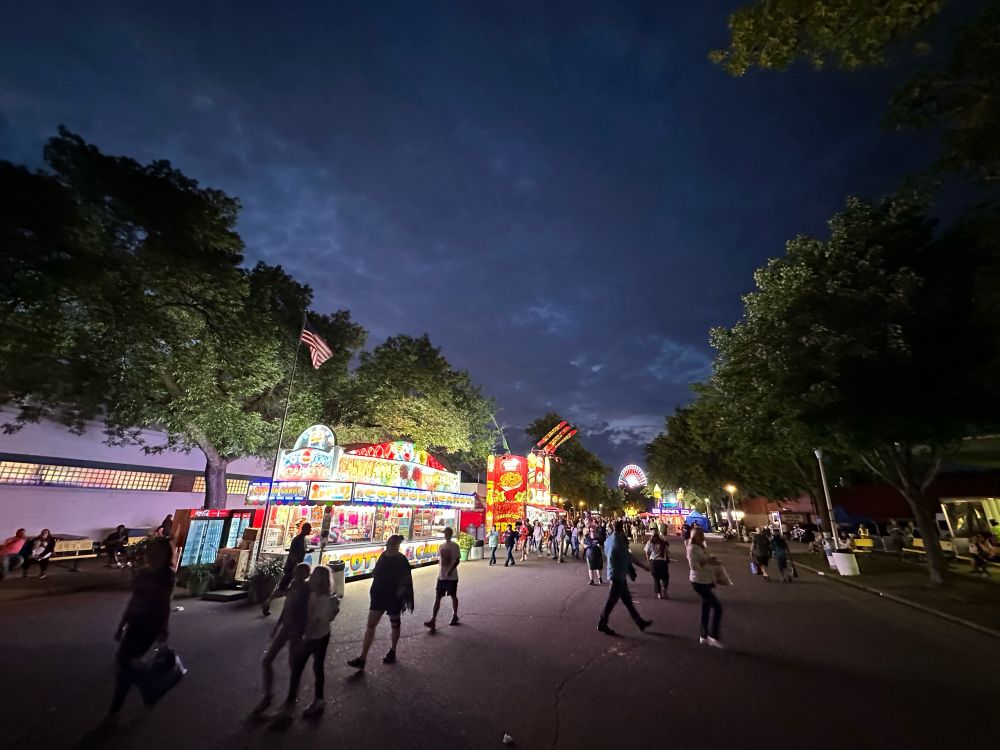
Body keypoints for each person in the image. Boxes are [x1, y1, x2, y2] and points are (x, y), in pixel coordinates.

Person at [97, 536, 175, 730]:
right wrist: (122, 624)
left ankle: (114, 712)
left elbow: (164, 604)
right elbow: (134, 600)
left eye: (158, 551)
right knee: (126, 664)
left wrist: (163, 629)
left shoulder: (166, 576)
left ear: (165, 555)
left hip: (150, 625)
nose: (153, 554)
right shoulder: (144, 573)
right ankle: (148, 691)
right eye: (152, 550)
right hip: (135, 622)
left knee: (124, 664)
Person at [279, 566, 340, 719]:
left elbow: (314, 621)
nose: (311, 578)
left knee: (300, 667)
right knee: (316, 666)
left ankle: (293, 702)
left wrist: (305, 638)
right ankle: (317, 699)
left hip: (315, 637)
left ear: (320, 580)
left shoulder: (321, 598)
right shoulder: (320, 595)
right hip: (322, 635)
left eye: (314, 576)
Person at [251, 563, 311, 717]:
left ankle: (290, 701)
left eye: (300, 572)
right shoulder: (294, 585)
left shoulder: (307, 589)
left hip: (297, 630)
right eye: (296, 572)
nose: (296, 575)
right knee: (267, 660)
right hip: (286, 628)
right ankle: (268, 696)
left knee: (293, 665)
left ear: (306, 575)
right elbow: (286, 607)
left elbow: (308, 611)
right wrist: (278, 625)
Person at [348, 535, 414, 669]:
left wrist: (398, 594)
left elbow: (405, 580)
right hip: (379, 596)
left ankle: (392, 650)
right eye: (388, 544)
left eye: (391, 545)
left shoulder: (400, 559)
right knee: (371, 624)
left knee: (394, 623)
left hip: (391, 597)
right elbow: (376, 573)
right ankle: (363, 657)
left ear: (396, 546)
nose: (389, 547)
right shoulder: (384, 556)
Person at [597, 522, 652, 636]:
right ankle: (602, 623)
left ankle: (639, 621)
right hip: (618, 574)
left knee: (627, 600)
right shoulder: (619, 541)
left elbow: (607, 552)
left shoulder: (609, 539)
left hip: (615, 572)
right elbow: (628, 556)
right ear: (622, 529)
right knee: (611, 601)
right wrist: (644, 566)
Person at [263, 522, 312, 616]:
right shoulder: (297, 539)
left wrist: (308, 551)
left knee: (292, 587)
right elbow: (293, 553)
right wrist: (296, 567)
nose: (310, 530)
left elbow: (301, 551)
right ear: (305, 529)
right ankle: (268, 602)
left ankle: (288, 608)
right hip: (292, 568)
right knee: (283, 586)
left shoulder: (303, 540)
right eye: (309, 528)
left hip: (296, 568)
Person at [687, 527, 723, 647]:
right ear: (694, 536)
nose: (701, 536)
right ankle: (713, 635)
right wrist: (708, 561)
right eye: (699, 534)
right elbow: (694, 566)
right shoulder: (692, 548)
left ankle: (704, 635)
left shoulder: (701, 546)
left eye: (702, 534)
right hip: (699, 581)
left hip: (706, 580)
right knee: (717, 607)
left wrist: (713, 561)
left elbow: (705, 559)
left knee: (706, 607)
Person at [424, 527, 460, 632]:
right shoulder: (441, 546)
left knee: (453, 596)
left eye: (447, 533)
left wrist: (450, 570)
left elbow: (457, 560)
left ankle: (455, 615)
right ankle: (433, 620)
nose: (446, 535)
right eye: (445, 533)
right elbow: (440, 560)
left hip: (452, 577)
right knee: (438, 598)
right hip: (441, 576)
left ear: (450, 534)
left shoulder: (455, 546)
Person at [644, 529, 670, 599]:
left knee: (656, 578)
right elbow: (667, 552)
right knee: (665, 577)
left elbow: (647, 553)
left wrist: (648, 561)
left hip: (654, 562)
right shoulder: (663, 542)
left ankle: (659, 593)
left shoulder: (649, 542)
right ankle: (664, 588)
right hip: (663, 562)